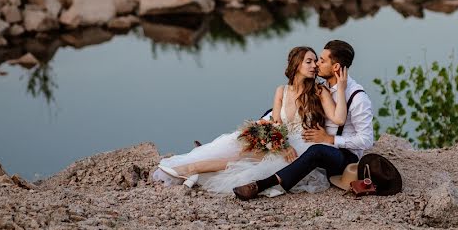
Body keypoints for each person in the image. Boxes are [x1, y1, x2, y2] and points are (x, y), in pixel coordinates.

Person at [150, 46, 348, 195]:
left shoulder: (318, 91)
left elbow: (338, 118)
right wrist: (279, 143)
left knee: (248, 161)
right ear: (296, 64)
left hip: (303, 144)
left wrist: (340, 86)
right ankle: (192, 168)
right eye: (309, 61)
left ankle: (191, 170)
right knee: (237, 147)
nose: (315, 66)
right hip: (284, 141)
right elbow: (276, 123)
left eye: (316, 62)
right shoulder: (282, 91)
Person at [233, 40, 374, 200]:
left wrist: (331, 139)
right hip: (318, 141)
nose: (317, 65)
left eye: (322, 60)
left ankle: (262, 185)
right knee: (268, 118)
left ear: (335, 67)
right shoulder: (323, 87)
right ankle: (227, 152)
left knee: (316, 151)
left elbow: (367, 140)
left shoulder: (358, 98)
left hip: (343, 156)